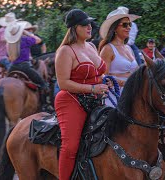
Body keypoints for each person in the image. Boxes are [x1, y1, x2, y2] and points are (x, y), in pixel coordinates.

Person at [55, 9, 108, 179]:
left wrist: (103, 80)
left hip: (95, 99)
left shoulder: (91, 46)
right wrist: (92, 89)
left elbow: (96, 73)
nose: (89, 27)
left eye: (89, 24)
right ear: (74, 28)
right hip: (71, 100)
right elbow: (63, 83)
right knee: (70, 146)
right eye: (84, 24)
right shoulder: (65, 51)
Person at [99, 7, 140, 107]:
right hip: (115, 96)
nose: (129, 27)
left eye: (129, 24)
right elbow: (102, 76)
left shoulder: (129, 48)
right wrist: (122, 83)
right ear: (115, 28)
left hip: (132, 94)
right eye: (125, 25)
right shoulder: (108, 49)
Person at [4, 21, 49, 108]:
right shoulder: (25, 39)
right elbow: (39, 40)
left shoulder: (10, 43)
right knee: (42, 83)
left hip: (13, 67)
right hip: (25, 67)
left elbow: (8, 58)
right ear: (21, 32)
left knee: (5, 82)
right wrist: (26, 32)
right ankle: (44, 104)